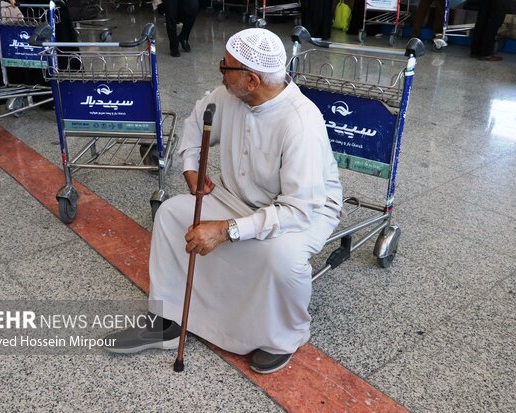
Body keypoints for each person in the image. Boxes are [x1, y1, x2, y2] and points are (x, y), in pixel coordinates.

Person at [104, 28, 343, 374]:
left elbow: (298, 208)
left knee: (281, 258)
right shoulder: (230, 94)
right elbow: (194, 122)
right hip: (239, 198)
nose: (219, 70)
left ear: (251, 80)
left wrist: (226, 230)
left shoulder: (300, 122)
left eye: (225, 68)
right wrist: (190, 166)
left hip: (304, 211)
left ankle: (283, 337)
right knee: (171, 214)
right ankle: (167, 319)